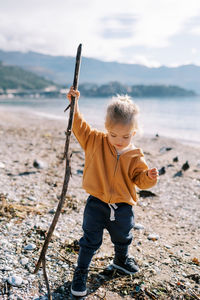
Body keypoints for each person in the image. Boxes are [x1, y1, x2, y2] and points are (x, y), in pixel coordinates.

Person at [67, 87, 159, 297]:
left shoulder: (136, 155)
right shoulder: (95, 141)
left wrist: (149, 179)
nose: (119, 140)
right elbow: (78, 125)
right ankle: (81, 271)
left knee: (123, 236)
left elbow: (140, 180)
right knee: (89, 240)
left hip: (123, 205)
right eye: (113, 134)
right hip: (96, 203)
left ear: (133, 133)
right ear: (106, 128)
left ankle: (120, 261)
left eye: (125, 136)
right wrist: (74, 103)